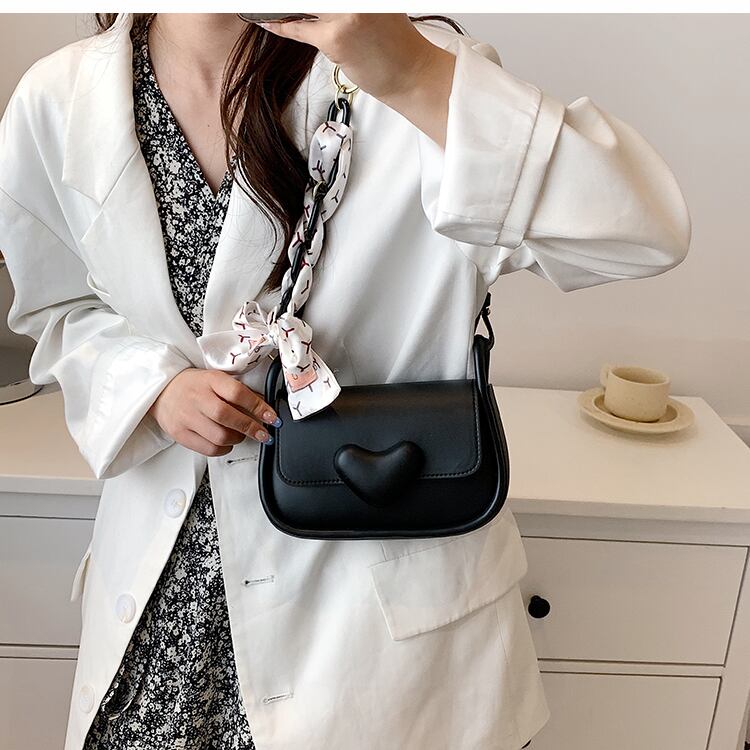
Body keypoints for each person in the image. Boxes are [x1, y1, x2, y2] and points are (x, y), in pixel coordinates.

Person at [0, 12, 691, 750]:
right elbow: (58, 306)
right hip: (162, 606)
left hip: (373, 622)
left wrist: (415, 74)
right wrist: (153, 390)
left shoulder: (403, 64)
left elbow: (644, 233)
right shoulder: (61, 96)